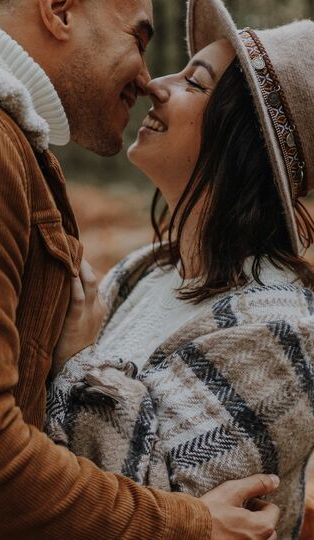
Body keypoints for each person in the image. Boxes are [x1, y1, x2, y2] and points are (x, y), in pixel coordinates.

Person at [0, 0, 282, 538]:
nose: (151, 80)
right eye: (139, 39)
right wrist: (188, 526)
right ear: (59, 10)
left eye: (195, 83)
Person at [46, 0, 314, 538]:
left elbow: (158, 504)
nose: (154, 84)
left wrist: (76, 359)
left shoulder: (280, 330)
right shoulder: (142, 275)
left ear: (243, 140)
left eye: (195, 83)